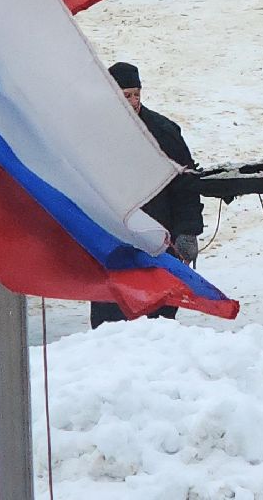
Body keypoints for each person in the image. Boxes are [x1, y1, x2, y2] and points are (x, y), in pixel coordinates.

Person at [90, 61, 206, 328]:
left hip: (159, 240)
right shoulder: (95, 134)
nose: (132, 102)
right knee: (111, 324)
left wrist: (187, 232)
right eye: (125, 96)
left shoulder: (163, 132)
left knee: (157, 321)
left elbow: (186, 185)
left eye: (135, 94)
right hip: (114, 243)